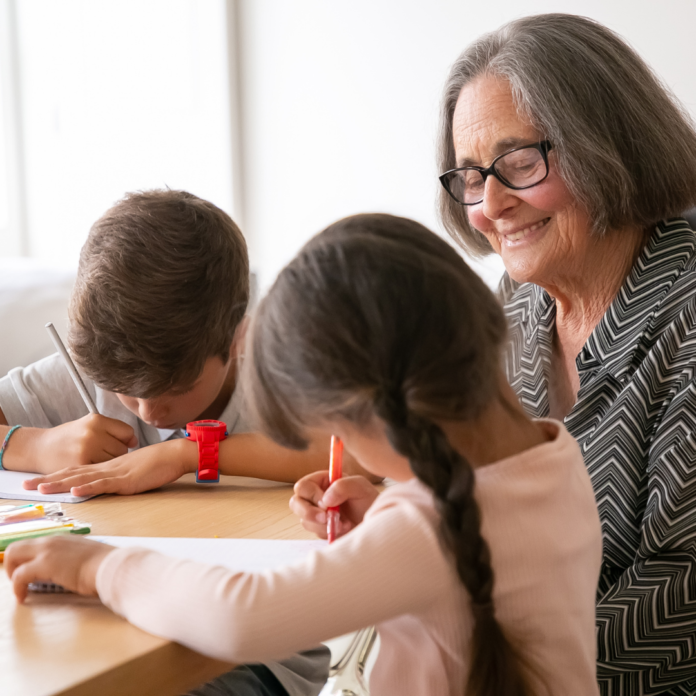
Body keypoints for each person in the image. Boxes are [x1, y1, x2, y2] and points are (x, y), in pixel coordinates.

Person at [5, 214, 603, 696]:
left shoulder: (428, 532)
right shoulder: (555, 456)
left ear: (382, 411)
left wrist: (97, 567)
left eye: (336, 432)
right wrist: (380, 518)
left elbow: (244, 616)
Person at [435, 13, 696, 695]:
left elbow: (681, 593)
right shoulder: (515, 307)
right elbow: (468, 483)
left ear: (605, 145)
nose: (490, 205)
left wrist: (498, 670)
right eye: (469, 176)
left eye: (520, 163)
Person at [0, 189, 339, 696]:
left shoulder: (276, 365)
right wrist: (31, 444)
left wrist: (184, 453)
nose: (148, 411)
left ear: (236, 338)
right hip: (102, 638)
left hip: (251, 658)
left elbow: (359, 448)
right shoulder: (97, 366)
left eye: (175, 390)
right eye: (125, 392)